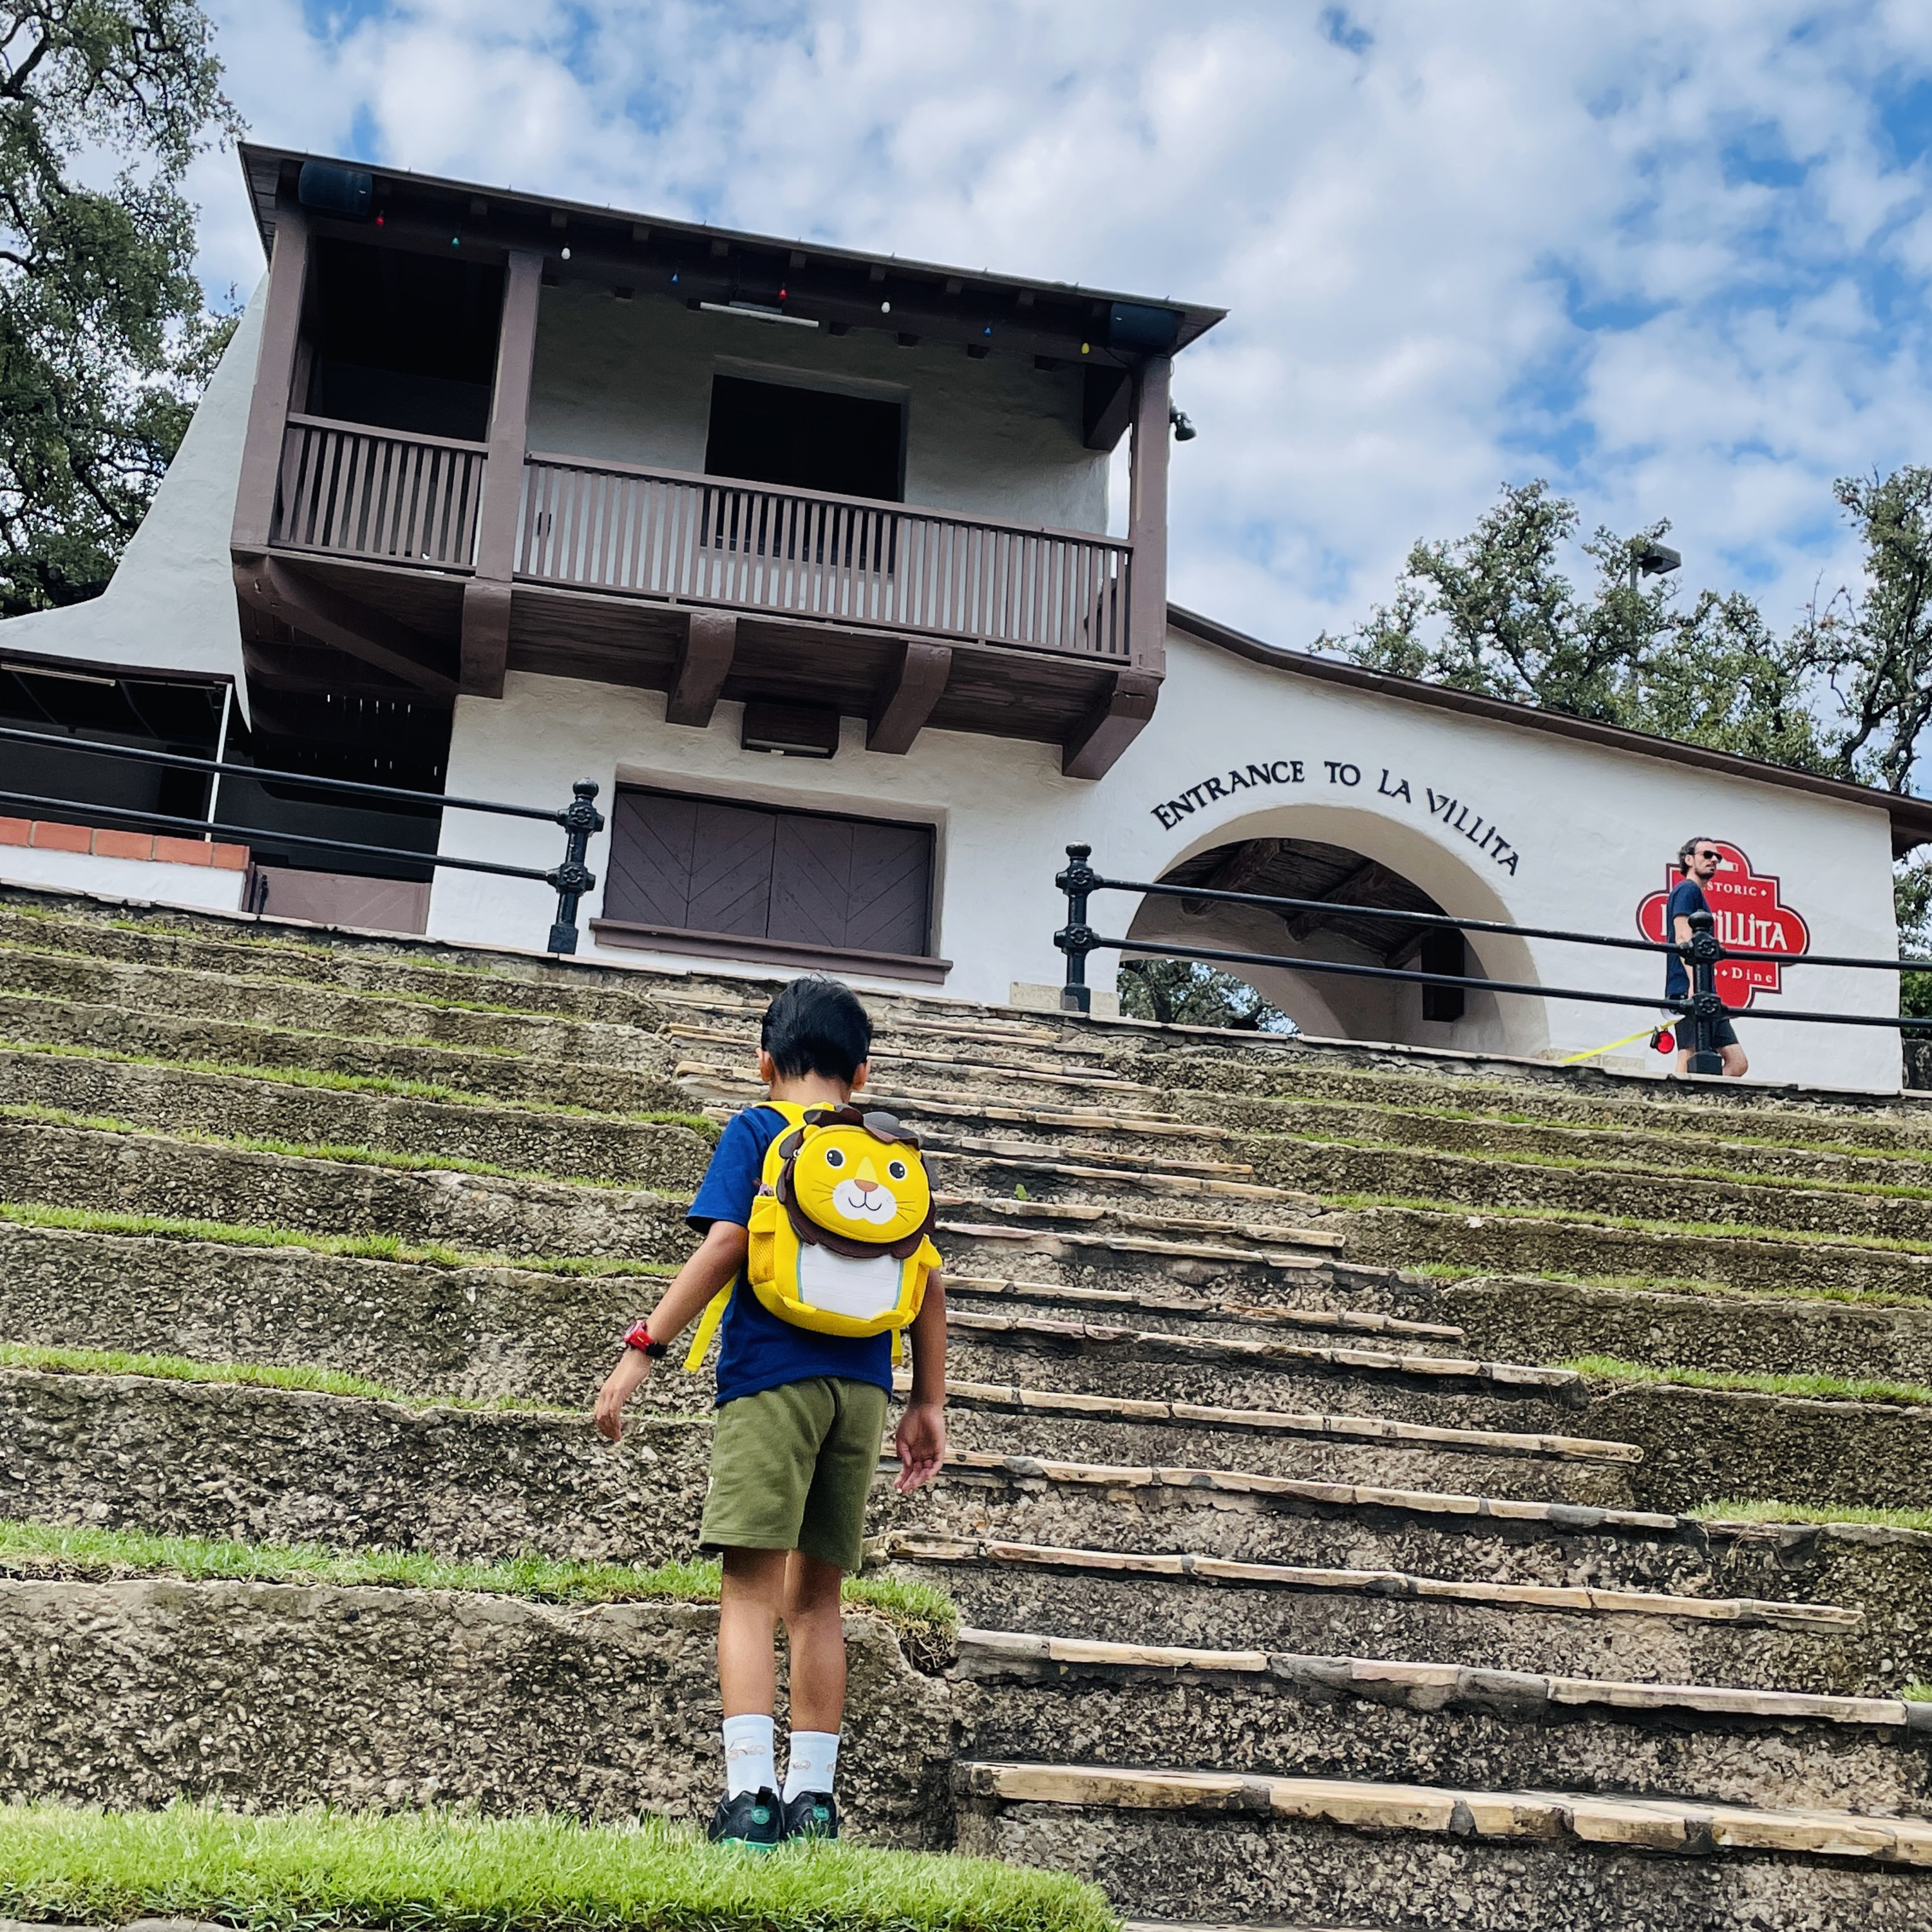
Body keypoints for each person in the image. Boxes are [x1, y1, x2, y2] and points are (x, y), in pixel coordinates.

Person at [592, 976, 948, 1849]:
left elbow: (724, 1245)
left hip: (768, 1382)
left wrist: (643, 1349)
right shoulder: (887, 1152)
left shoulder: (757, 1130)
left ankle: (752, 1797)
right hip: (862, 1391)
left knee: (749, 1593)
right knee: (818, 1601)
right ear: (860, 1074)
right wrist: (929, 1402)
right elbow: (931, 1281)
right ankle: (815, 1801)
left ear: (763, 1061)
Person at [1665, 836, 1748, 1078]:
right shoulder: (1687, 889)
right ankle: (1678, 1105)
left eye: (1717, 857)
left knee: (1738, 1062)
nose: (1714, 861)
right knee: (1688, 1051)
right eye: (1707, 855)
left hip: (1707, 995)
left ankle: (1700, 1097)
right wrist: (1693, 983)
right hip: (1688, 989)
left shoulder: (1697, 895)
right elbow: (1683, 936)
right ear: (1688, 859)